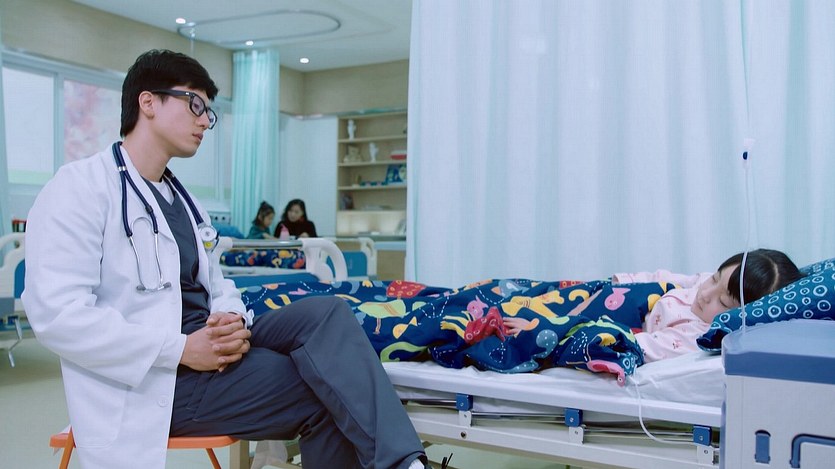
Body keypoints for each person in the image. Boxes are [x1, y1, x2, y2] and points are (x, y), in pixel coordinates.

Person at [22, 49, 429, 469]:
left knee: (326, 313)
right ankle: (404, 463)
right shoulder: (79, 188)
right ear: (148, 102)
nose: (205, 121)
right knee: (326, 387)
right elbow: (59, 317)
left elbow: (218, 285)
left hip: (208, 350)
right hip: (156, 380)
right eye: (195, 105)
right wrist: (181, 349)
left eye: (208, 112)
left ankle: (405, 464)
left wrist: (230, 317)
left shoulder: (183, 201)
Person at [504, 249, 803, 362]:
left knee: (523, 320)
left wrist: (553, 330)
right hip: (605, 294)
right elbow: (660, 279)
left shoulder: (696, 334)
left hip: (614, 321)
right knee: (531, 293)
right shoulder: (703, 286)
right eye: (714, 278)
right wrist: (618, 283)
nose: (706, 293)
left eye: (722, 301)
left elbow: (635, 343)